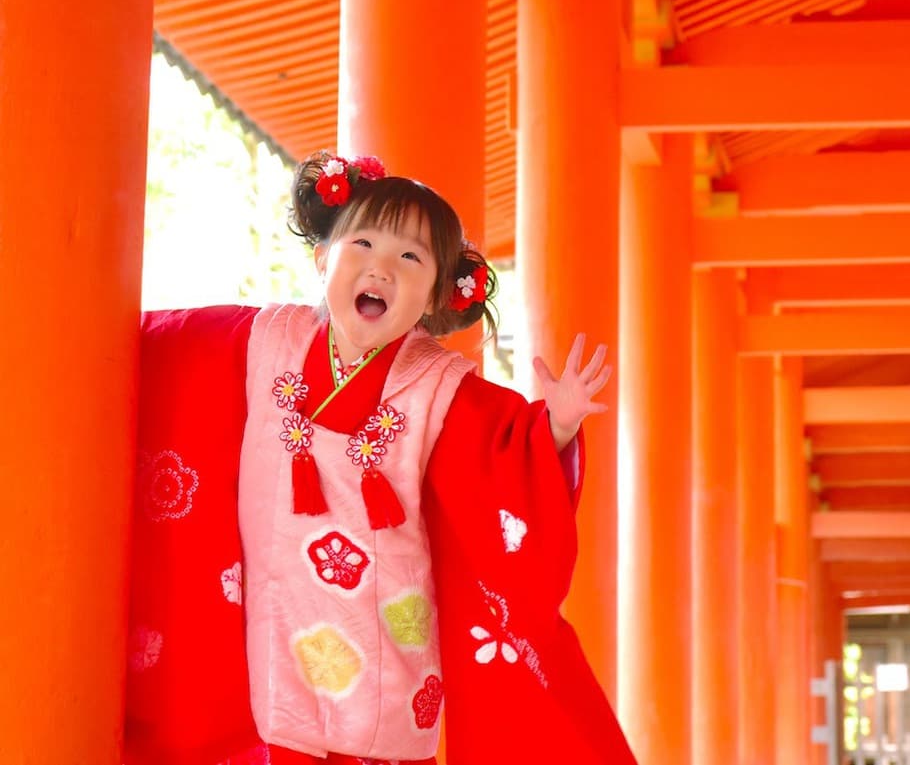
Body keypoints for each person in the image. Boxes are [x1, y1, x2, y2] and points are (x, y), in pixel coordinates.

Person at [124, 151, 636, 765]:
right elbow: (168, 350)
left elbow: (499, 459)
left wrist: (553, 424)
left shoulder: (439, 383)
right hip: (275, 617)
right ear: (323, 260)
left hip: (385, 632)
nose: (381, 268)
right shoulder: (266, 339)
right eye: (362, 244)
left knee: (372, 734)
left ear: (434, 299)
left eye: (410, 258)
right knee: (263, 728)